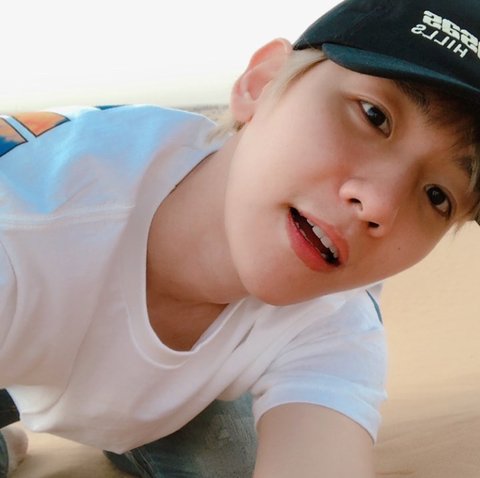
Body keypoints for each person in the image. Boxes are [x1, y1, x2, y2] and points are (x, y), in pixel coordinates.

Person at [1, 0, 480, 476]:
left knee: (227, 462)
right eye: (374, 115)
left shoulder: (335, 316)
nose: (379, 205)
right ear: (262, 84)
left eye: (437, 196)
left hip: (146, 397)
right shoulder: (27, 222)